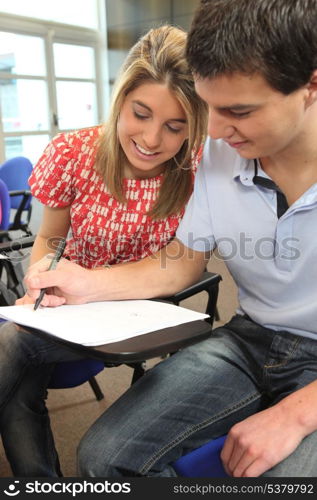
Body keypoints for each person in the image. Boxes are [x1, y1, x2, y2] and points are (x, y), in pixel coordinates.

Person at [24, 0, 317, 477]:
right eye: (209, 108)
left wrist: (297, 412)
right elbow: (179, 264)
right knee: (103, 457)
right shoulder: (220, 154)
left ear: (310, 85)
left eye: (238, 110)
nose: (215, 132)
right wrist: (85, 283)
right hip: (251, 338)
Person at [0, 24, 207, 477]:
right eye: (140, 113)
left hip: (140, 314)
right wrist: (42, 277)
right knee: (17, 376)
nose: (152, 140)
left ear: (194, 128)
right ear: (121, 100)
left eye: (175, 127)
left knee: (11, 348)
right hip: (71, 307)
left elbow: (183, 263)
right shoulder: (73, 152)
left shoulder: (198, 168)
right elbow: (51, 239)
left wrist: (89, 286)